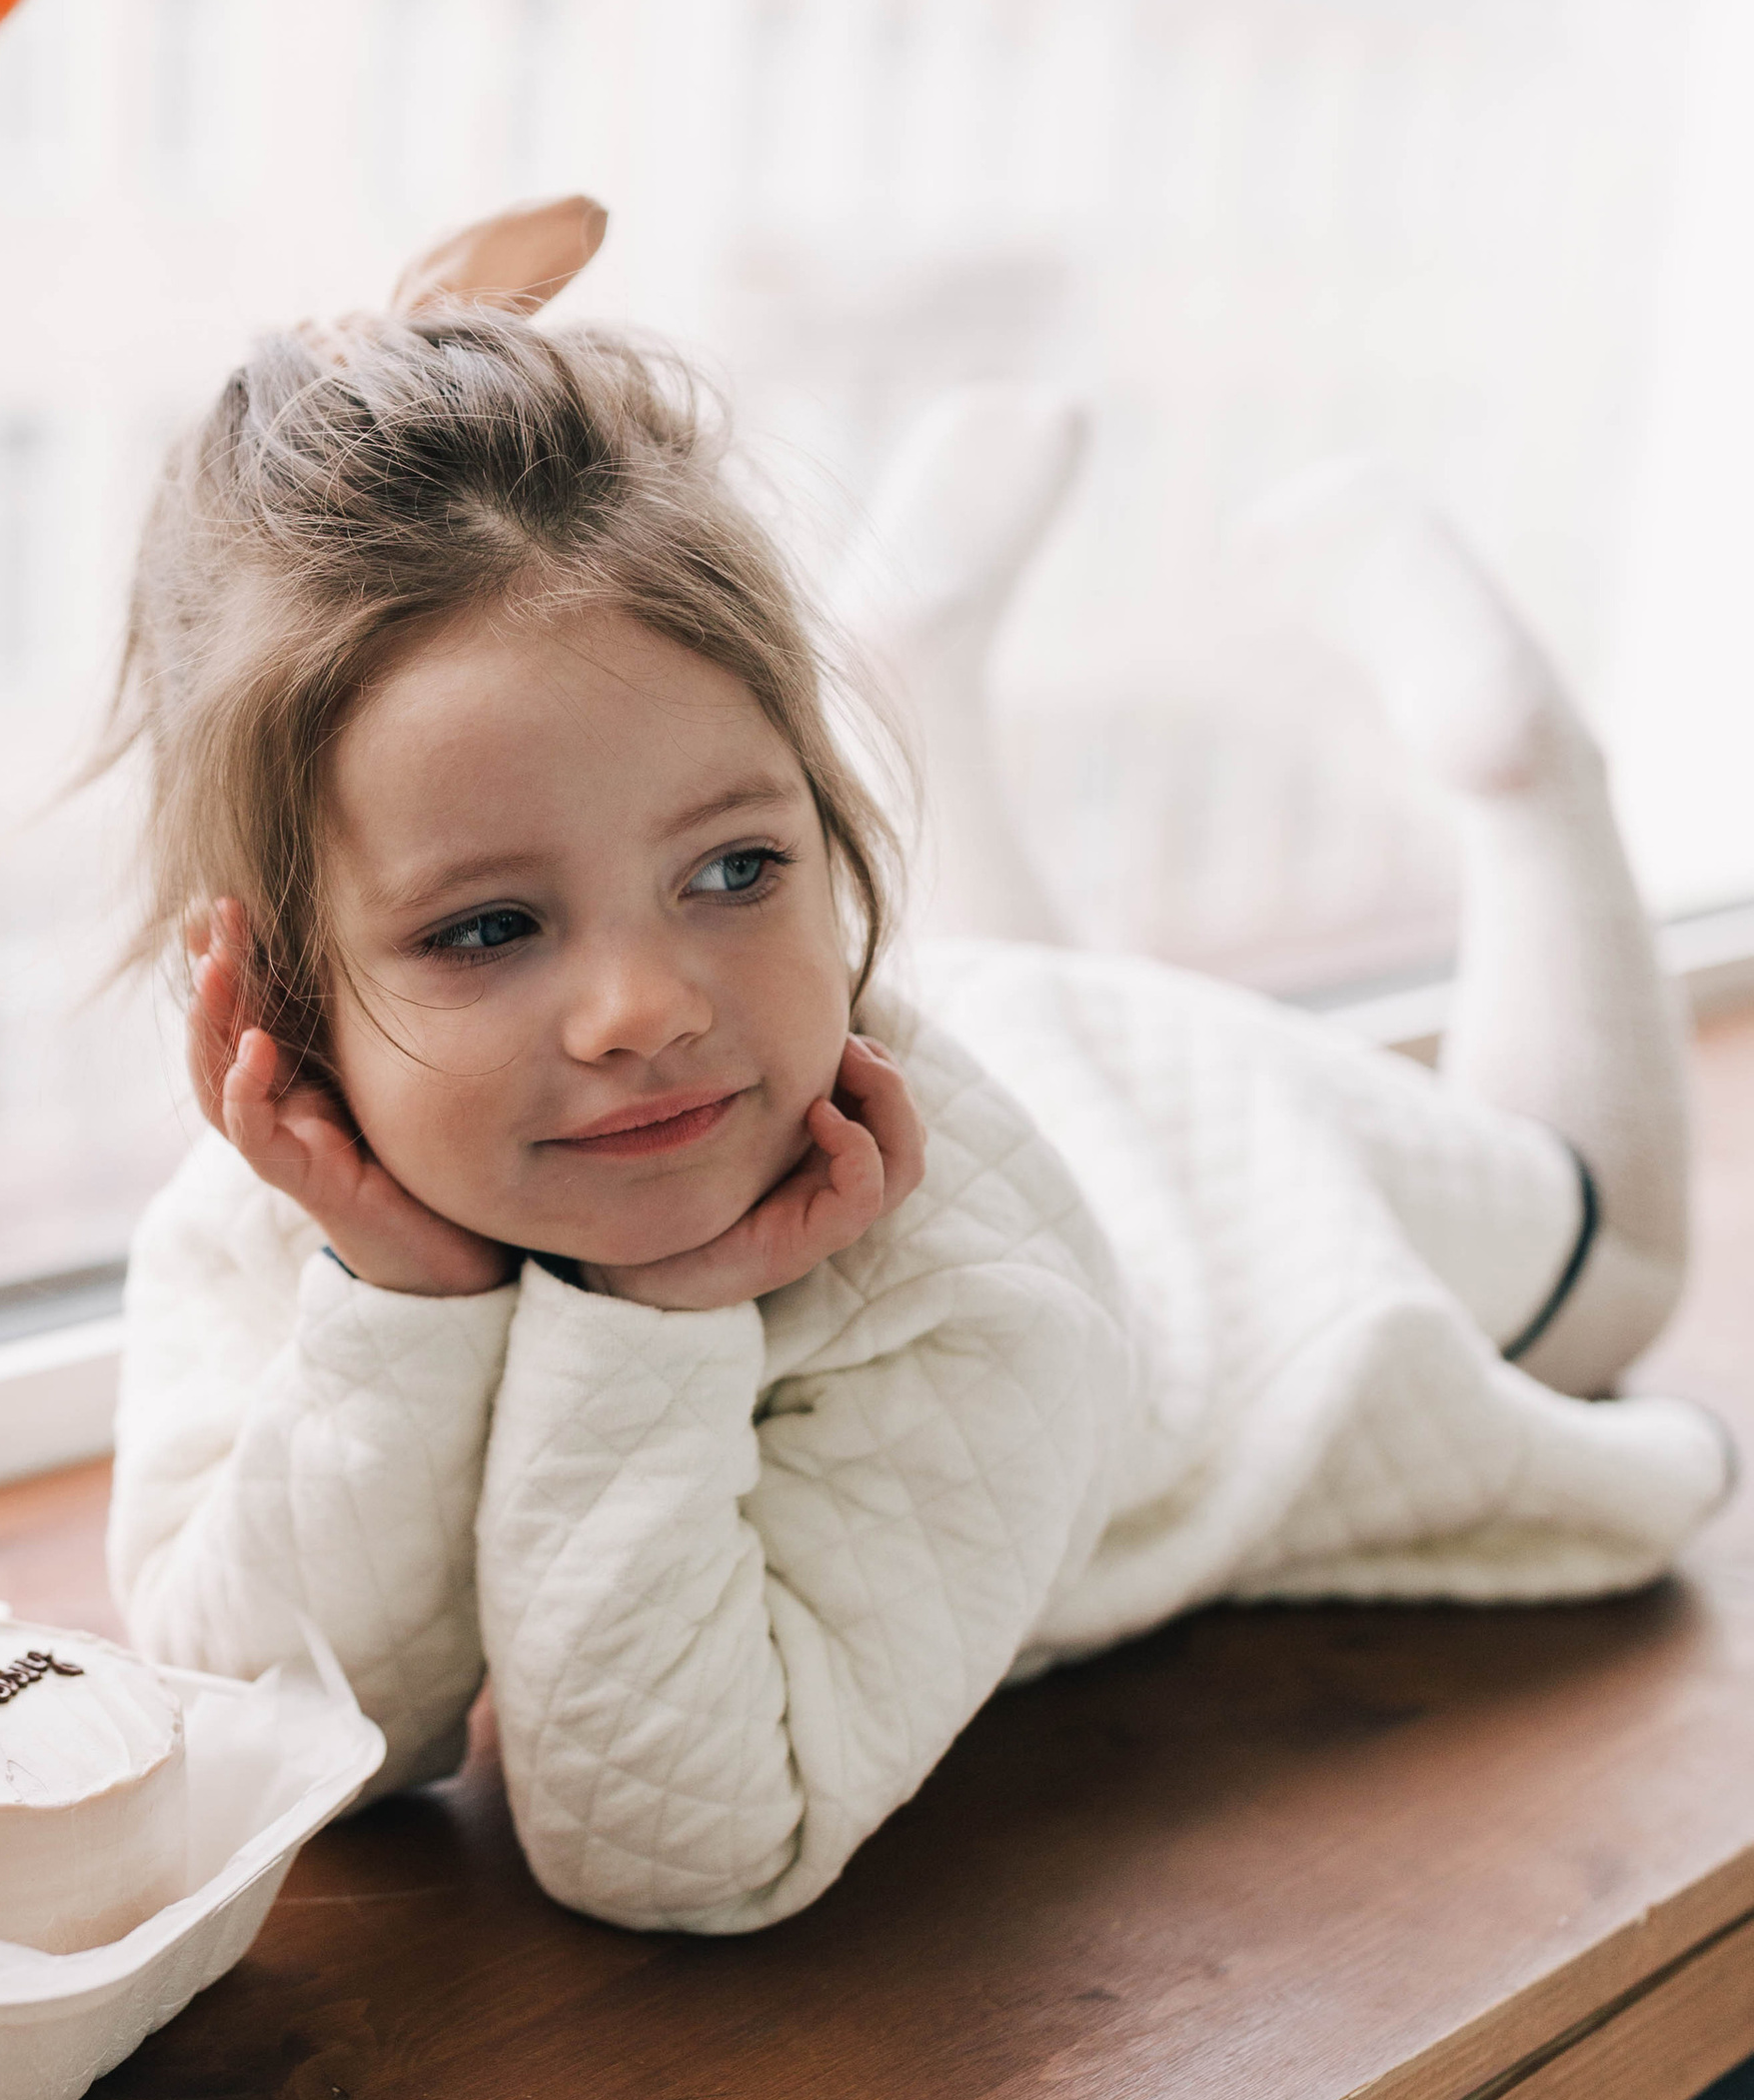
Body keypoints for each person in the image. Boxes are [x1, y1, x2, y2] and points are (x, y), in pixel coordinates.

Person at [103, 201, 1729, 1935]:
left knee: (1607, 1270)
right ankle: (922, 661)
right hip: (985, 1040)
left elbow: (688, 1848)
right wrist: (403, 1303)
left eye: (739, 869)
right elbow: (292, 1732)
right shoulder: (273, 1209)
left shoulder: (972, 1293)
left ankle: (1530, 767)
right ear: (278, 987)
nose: (640, 1009)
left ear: (830, 843)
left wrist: (655, 1324)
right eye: (490, 931)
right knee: (988, 983)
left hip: (1217, 1203)